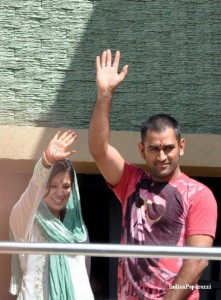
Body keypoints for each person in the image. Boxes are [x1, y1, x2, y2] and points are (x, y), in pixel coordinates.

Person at [88, 49, 217, 300]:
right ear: (142, 150)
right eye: (154, 149)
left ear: (181, 146)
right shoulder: (131, 182)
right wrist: (105, 95)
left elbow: (198, 262)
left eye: (168, 148)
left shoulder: (199, 195)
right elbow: (98, 150)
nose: (161, 156)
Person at [9, 129, 94, 300]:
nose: (59, 192)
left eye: (66, 186)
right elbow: (32, 191)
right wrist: (46, 163)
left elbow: (83, 279)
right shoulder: (26, 220)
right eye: (53, 185)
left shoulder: (78, 229)